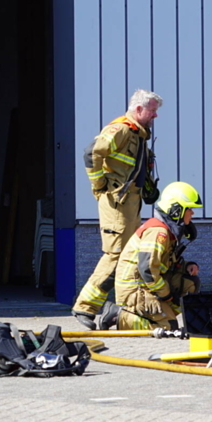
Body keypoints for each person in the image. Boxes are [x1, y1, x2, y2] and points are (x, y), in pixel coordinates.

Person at [72, 89, 161, 329]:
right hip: (117, 203)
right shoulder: (121, 129)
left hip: (130, 203)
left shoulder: (138, 134)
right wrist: (99, 185)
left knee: (128, 255)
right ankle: (85, 307)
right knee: (116, 255)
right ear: (139, 109)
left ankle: (124, 307)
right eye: (152, 110)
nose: (155, 115)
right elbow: (92, 154)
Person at [97, 181, 202, 331]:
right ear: (176, 210)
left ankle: (161, 312)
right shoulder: (158, 232)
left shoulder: (167, 231)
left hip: (147, 285)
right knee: (167, 327)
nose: (192, 213)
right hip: (135, 289)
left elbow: (163, 262)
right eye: (189, 209)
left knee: (190, 282)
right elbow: (147, 268)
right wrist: (166, 294)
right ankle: (119, 315)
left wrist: (188, 266)